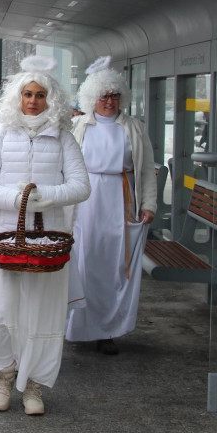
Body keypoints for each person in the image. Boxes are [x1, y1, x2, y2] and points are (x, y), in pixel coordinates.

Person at [0, 55, 90, 416]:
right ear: (17, 97)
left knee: (42, 312)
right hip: (4, 238)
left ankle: (35, 384)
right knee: (3, 307)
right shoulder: (0, 134)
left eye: (40, 95)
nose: (33, 101)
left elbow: (81, 186)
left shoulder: (64, 138)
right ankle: (4, 376)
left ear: (50, 99)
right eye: (27, 94)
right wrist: (17, 198)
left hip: (47, 242)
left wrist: (46, 197)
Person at [65, 56, 156, 355]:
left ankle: (107, 330)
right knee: (84, 261)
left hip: (120, 199)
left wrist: (149, 204)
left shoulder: (134, 128)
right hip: (85, 203)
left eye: (115, 95)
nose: (109, 101)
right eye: (104, 96)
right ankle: (78, 326)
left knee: (114, 266)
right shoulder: (77, 126)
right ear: (93, 97)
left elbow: (145, 170)